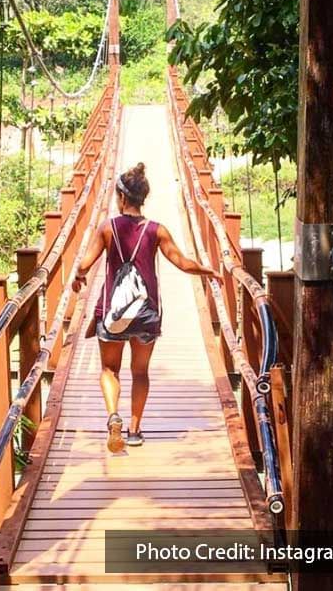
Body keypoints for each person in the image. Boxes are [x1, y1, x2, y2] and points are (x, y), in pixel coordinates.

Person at [72, 162, 222, 454]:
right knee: (140, 372)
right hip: (145, 313)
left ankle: (113, 415)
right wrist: (208, 271)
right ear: (142, 198)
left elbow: (84, 264)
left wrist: (78, 277)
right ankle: (135, 430)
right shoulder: (157, 231)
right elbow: (181, 261)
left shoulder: (107, 228)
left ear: (121, 196)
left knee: (109, 369)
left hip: (112, 313)